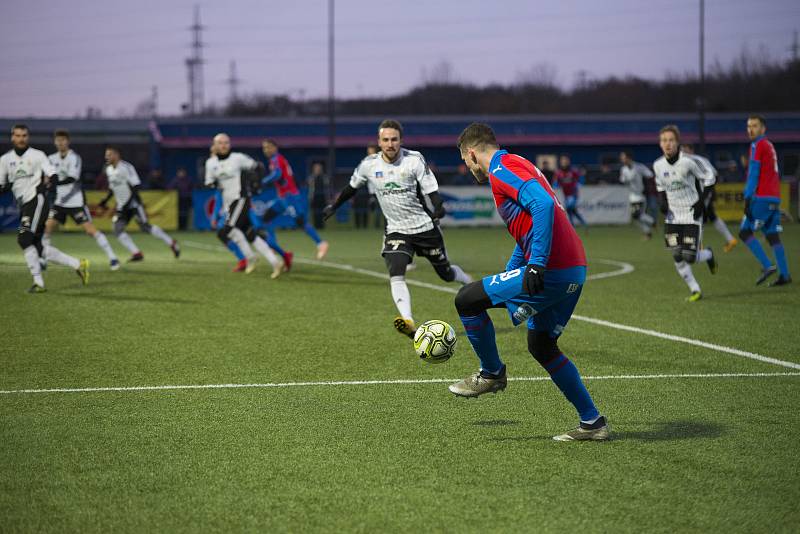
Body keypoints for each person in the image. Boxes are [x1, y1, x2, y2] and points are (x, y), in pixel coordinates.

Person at [452, 122, 608, 441]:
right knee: (542, 346)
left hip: (551, 268)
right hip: (573, 268)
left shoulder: (500, 169)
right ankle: (593, 423)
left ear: (471, 153)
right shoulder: (520, 162)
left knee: (467, 300)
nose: (468, 169)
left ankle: (491, 372)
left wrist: (536, 264)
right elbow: (528, 227)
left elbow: (545, 205)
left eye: (466, 163)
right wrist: (514, 269)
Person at [323, 119, 472, 338]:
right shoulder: (369, 164)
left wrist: (438, 206)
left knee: (446, 274)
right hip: (396, 230)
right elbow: (351, 187)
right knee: (396, 271)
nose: (390, 144)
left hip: (424, 228)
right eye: (386, 140)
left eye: (394, 139)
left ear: (401, 140)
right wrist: (334, 206)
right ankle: (408, 320)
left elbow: (431, 189)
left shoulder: (413, 160)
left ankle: (470, 283)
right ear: (379, 141)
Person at [0, 124, 89, 292]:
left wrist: (49, 189)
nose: (21, 139)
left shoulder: (37, 155)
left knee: (23, 239)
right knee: (38, 246)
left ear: (28, 137)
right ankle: (78, 264)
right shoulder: (4, 160)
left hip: (36, 200)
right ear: (12, 137)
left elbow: (53, 175)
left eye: (24, 135)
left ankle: (38, 283)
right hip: (24, 205)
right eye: (18, 136)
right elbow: (2, 186)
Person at [204, 133, 286, 278]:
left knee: (226, 230)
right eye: (220, 143)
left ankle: (250, 257)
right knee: (250, 233)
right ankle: (275, 262)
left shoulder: (238, 158)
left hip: (241, 199)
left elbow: (258, 167)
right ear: (215, 145)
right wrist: (214, 183)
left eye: (226, 142)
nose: (223, 145)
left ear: (230, 144)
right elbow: (209, 182)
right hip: (228, 203)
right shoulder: (210, 163)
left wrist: (256, 185)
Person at [653, 125, 717, 302]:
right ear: (660, 143)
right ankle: (695, 289)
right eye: (664, 140)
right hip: (673, 216)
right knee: (677, 255)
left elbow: (710, 177)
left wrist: (701, 202)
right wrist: (662, 202)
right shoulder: (658, 165)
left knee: (689, 257)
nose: (668, 144)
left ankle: (709, 254)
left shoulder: (688, 161)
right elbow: (660, 185)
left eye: (671, 140)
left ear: (677, 142)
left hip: (691, 213)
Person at [45, 129, 120, 270]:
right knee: (47, 228)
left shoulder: (74, 157)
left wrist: (53, 183)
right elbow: (47, 176)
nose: (60, 142)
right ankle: (43, 259)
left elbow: (73, 178)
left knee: (90, 230)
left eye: (63, 140)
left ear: (68, 141)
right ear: (55, 142)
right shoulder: (51, 159)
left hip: (75, 201)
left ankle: (113, 258)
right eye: (58, 140)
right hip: (59, 202)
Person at [99, 147, 180, 263]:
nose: (107, 157)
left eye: (109, 155)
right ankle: (137, 253)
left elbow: (136, 187)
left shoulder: (126, 167)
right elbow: (113, 188)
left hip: (133, 204)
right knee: (117, 229)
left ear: (117, 155)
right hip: (122, 206)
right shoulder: (109, 170)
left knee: (146, 227)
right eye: (106, 155)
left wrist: (127, 204)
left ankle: (171, 242)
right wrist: (105, 201)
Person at [739, 115, 791, 286]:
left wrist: (747, 198)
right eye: (748, 126)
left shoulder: (757, 144)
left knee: (744, 232)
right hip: (774, 197)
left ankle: (767, 265)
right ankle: (785, 275)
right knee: (773, 236)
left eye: (754, 126)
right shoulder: (769, 144)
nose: (750, 129)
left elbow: (753, 172)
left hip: (762, 197)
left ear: (763, 129)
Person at [261, 139, 329, 260]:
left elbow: (277, 174)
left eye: (269, 147)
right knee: (266, 217)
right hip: (282, 198)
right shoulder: (273, 160)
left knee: (300, 221)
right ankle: (272, 245)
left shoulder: (277, 159)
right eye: (264, 148)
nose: (266, 150)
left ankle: (321, 243)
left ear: (275, 148)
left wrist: (263, 181)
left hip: (290, 197)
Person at [681, 144, 738, 252]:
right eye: (682, 149)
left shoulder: (695, 160)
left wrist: (707, 193)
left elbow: (712, 176)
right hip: (703, 192)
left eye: (685, 149)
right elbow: (714, 174)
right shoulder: (700, 160)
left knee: (697, 216)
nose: (683, 152)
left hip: (702, 193)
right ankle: (730, 239)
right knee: (712, 216)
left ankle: (698, 246)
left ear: (691, 150)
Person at [619, 151, 656, 239]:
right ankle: (648, 233)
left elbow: (650, 175)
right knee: (636, 218)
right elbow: (622, 180)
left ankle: (652, 221)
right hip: (632, 196)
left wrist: (647, 183)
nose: (622, 160)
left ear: (628, 158)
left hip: (640, 196)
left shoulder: (639, 167)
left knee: (637, 215)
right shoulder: (623, 169)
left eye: (623, 158)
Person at [552, 154, 587, 229]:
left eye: (566, 161)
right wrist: (554, 187)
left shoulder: (573, 171)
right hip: (566, 195)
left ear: (568, 161)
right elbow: (556, 183)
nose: (564, 162)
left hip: (573, 194)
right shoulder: (559, 173)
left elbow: (580, 178)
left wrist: (580, 183)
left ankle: (571, 226)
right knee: (572, 210)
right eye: (563, 161)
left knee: (569, 207)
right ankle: (583, 223)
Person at [307, 161, 330, 230]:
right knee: (315, 212)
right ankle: (316, 226)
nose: (318, 169)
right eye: (316, 168)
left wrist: (328, 198)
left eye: (319, 168)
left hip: (323, 197)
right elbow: (309, 185)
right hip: (314, 197)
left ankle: (322, 226)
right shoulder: (311, 177)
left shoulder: (324, 177)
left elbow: (327, 186)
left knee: (322, 212)